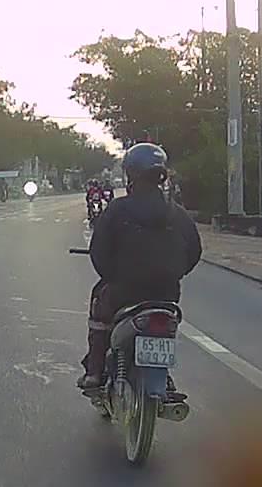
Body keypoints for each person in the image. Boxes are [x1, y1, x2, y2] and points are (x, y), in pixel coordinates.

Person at [77, 142, 202, 396]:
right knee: (166, 327)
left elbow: (99, 251)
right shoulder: (178, 213)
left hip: (124, 291)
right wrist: (173, 274)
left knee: (100, 306)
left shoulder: (117, 209)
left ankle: (95, 370)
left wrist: (113, 276)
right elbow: (194, 251)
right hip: (167, 293)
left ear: (131, 174)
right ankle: (164, 376)